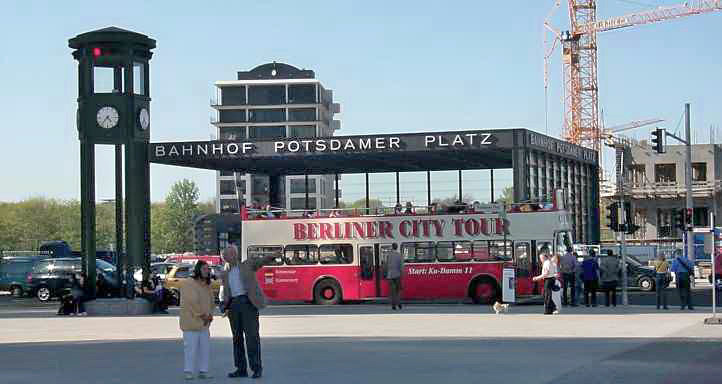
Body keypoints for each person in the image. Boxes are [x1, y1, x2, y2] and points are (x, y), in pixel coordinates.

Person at [221, 245, 268, 379]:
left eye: (228, 254)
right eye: (225, 255)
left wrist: (273, 255)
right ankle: (240, 368)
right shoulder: (225, 273)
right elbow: (225, 291)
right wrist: (224, 305)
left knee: (252, 337)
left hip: (248, 303)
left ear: (235, 254)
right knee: (237, 338)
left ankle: (256, 368)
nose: (226, 257)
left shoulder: (247, 265)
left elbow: (261, 262)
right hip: (233, 306)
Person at [179, 260, 215, 380]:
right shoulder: (188, 283)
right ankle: (188, 371)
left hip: (205, 323)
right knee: (191, 348)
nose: (207, 271)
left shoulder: (207, 284)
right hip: (191, 323)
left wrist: (210, 315)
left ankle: (203, 371)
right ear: (198, 269)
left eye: (208, 269)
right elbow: (191, 302)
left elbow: (211, 302)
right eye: (204, 269)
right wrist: (202, 315)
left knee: (205, 349)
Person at [532, 248, 556, 315]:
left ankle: (548, 310)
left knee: (547, 296)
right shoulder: (548, 262)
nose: (540, 260)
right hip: (550, 279)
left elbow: (545, 274)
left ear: (544, 257)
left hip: (548, 280)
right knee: (546, 295)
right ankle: (552, 308)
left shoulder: (546, 263)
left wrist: (536, 278)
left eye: (541, 258)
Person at [386, 243, 404, 310]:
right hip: (397, 275)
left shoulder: (388, 255)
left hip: (390, 275)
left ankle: (393, 305)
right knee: (398, 290)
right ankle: (399, 303)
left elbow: (386, 265)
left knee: (392, 291)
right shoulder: (399, 255)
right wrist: (402, 273)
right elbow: (401, 266)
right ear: (397, 247)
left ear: (392, 247)